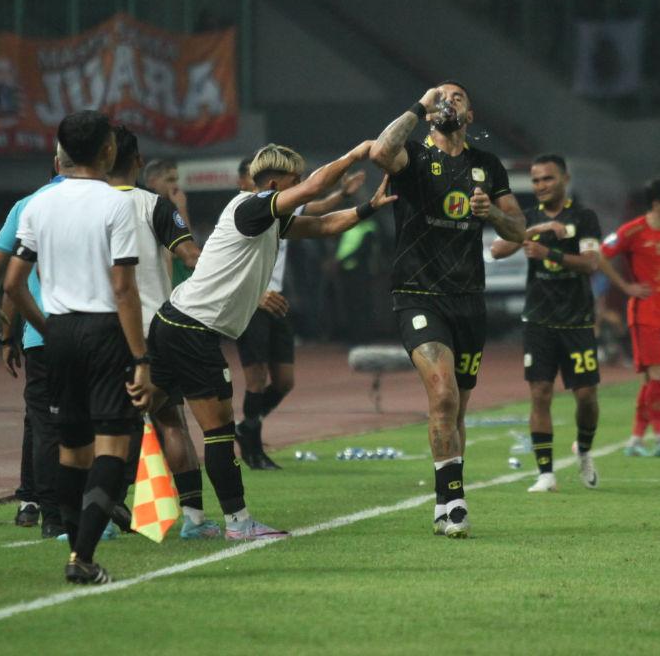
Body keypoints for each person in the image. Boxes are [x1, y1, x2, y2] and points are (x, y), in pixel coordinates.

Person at [149, 141, 395, 540]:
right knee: (218, 430)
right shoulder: (251, 206)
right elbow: (315, 191)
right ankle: (238, 523)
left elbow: (324, 225)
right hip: (193, 329)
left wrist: (368, 207)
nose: (300, 187)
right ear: (276, 183)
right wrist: (356, 154)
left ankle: (179, 520)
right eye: (294, 181)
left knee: (144, 415)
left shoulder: (266, 218)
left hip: (174, 322)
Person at [369, 82, 526, 538]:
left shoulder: (486, 166)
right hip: (418, 295)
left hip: (468, 301)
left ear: (470, 115)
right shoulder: (414, 157)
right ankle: (456, 505)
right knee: (441, 394)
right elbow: (381, 152)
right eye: (441, 98)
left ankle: (444, 501)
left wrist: (491, 216)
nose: (447, 102)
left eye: (456, 97)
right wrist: (420, 102)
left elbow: (519, 230)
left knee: (456, 410)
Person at [4, 110, 156, 584]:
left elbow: (13, 283)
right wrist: (141, 359)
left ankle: (75, 548)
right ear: (109, 151)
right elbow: (124, 289)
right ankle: (82, 558)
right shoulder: (116, 205)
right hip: (106, 332)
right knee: (113, 443)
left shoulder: (38, 205)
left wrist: (46, 329)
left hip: (61, 333)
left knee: (72, 450)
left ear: (61, 150)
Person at [106, 125, 215, 539]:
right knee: (170, 421)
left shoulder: (79, 205)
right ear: (136, 161)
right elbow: (191, 255)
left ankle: (99, 520)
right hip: (153, 326)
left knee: (104, 427)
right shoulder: (154, 206)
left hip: (98, 329)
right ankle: (194, 521)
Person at [232, 156, 366, 469]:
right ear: (243, 183)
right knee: (256, 379)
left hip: (277, 300)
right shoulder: (239, 215)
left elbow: (317, 212)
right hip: (252, 302)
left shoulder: (279, 211)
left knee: (284, 381)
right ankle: (252, 448)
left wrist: (345, 195)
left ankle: (247, 426)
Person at [490, 154, 602, 492]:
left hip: (577, 321)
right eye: (536, 180)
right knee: (540, 393)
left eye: (547, 179)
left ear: (564, 179)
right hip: (539, 319)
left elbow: (591, 263)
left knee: (585, 396)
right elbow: (497, 249)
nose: (540, 186)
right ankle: (545, 474)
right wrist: (534, 230)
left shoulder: (583, 217)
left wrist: (549, 253)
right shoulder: (529, 219)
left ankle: (583, 450)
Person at [0, 146, 71, 539]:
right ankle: (100, 504)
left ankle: (46, 512)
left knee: (44, 423)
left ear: (55, 163)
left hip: (42, 333)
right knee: (99, 419)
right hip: (97, 331)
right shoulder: (106, 200)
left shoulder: (29, 205)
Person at [599, 178, 660, 457]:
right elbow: (601, 255)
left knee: (654, 380)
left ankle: (636, 440)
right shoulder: (634, 230)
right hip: (646, 314)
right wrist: (626, 286)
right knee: (658, 374)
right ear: (657, 204)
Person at [143, 158, 195, 288]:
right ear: (152, 182)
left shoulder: (170, 208)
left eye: (176, 180)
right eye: (170, 180)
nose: (175, 185)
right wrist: (181, 206)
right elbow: (186, 252)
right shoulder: (149, 209)